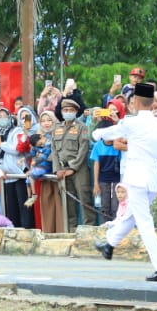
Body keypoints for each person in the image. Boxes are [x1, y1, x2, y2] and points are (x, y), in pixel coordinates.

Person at [92, 83, 157, 281]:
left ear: (137, 102)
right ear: (152, 103)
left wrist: (97, 133)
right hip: (154, 181)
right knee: (131, 215)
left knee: (144, 223)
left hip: (138, 179)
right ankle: (109, 245)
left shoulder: (132, 122)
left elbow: (112, 132)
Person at [51, 97, 94, 228]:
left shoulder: (82, 127)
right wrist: (57, 169)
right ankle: (71, 229)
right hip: (62, 170)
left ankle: (88, 229)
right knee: (68, 202)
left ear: (76, 112)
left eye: (71, 110)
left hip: (78, 169)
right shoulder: (57, 128)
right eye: (65, 110)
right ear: (62, 112)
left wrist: (73, 168)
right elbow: (54, 151)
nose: (68, 112)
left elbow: (83, 149)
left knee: (84, 199)